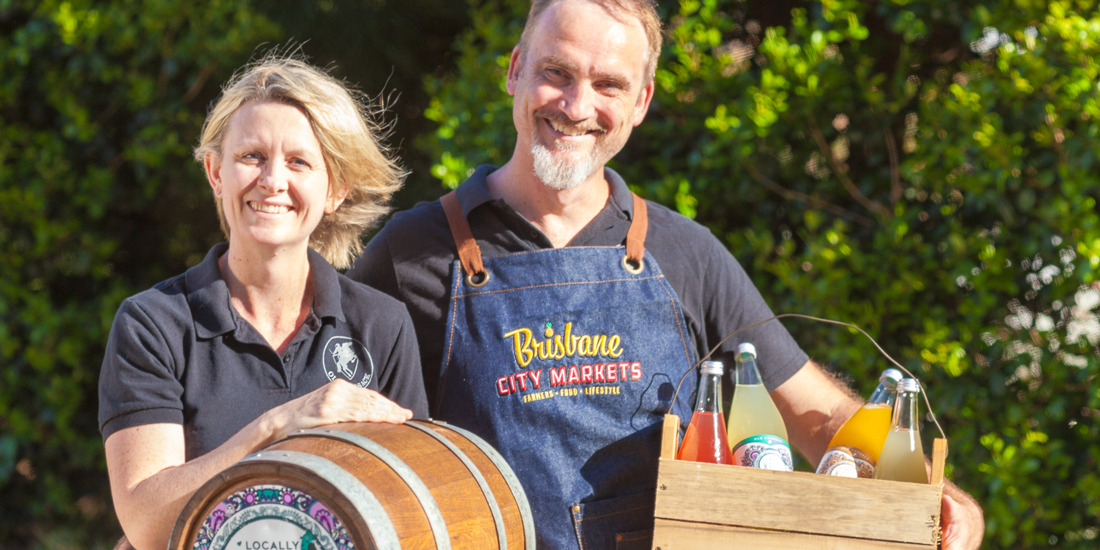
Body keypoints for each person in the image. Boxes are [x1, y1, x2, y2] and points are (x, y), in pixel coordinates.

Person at [349, 1, 985, 548]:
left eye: (608, 85)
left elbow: (814, 418)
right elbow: (343, 435)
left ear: (641, 103)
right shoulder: (411, 254)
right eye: (556, 73)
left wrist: (938, 496)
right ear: (515, 71)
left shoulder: (685, 253)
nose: (577, 106)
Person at [98, 57, 429, 550]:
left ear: (335, 189)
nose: (273, 180)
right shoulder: (153, 324)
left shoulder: (381, 323)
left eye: (299, 161)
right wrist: (279, 424)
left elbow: (415, 506)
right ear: (215, 172)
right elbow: (146, 525)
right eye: (251, 156)